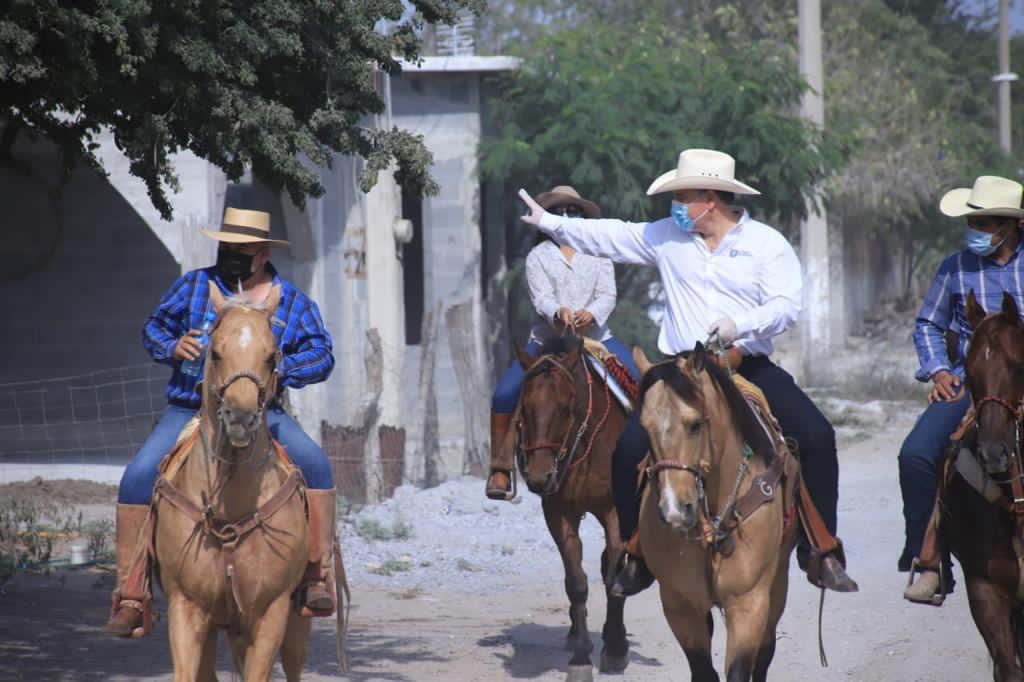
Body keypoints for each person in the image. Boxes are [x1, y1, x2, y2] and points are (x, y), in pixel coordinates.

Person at [518, 148, 857, 594]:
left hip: (744, 365)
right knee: (627, 451)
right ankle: (635, 552)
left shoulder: (766, 244)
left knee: (815, 436)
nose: (675, 206)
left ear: (711, 198)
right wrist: (551, 222)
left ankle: (821, 550)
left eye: (683, 196)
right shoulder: (665, 238)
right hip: (677, 372)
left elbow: (785, 306)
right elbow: (612, 236)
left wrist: (742, 325)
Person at [105, 207, 338, 637]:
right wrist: (173, 346)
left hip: (264, 415)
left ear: (263, 251)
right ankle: (133, 593)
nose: (231, 254)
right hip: (189, 411)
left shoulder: (291, 302)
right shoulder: (193, 287)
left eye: (242, 249)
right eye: (226, 246)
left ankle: (314, 578)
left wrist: (281, 367)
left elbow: (323, 353)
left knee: (317, 465)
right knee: (137, 477)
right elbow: (152, 328)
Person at [900, 175, 1024, 603]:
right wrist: (938, 371)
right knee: (916, 454)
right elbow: (929, 324)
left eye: (984, 223)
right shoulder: (954, 268)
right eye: (974, 222)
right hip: (971, 382)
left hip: (1021, 380)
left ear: (1010, 226)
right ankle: (929, 558)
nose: (976, 232)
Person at [486, 186, 640, 499]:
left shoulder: (598, 253)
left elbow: (607, 294)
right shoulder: (537, 258)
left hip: (596, 340)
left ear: (583, 218)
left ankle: (647, 463)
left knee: (641, 383)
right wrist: (558, 312)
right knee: (504, 394)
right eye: (560, 212)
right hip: (547, 341)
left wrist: (591, 314)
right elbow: (540, 297)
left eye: (574, 212)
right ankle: (501, 468)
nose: (568, 217)